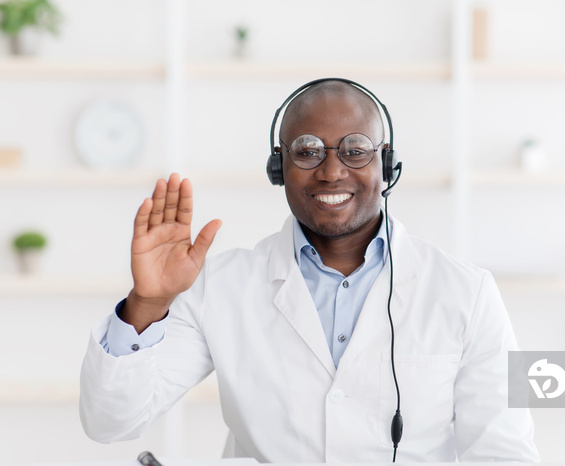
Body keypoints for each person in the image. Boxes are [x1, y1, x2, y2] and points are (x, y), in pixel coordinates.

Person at [79, 79, 539, 463]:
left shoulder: (468, 291)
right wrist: (148, 304)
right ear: (279, 167)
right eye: (307, 151)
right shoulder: (219, 286)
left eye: (356, 150)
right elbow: (109, 423)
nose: (332, 171)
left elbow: (505, 452)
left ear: (388, 164)